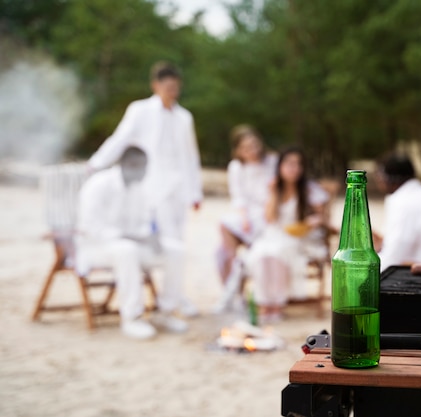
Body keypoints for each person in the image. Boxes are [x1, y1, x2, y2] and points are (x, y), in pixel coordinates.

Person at [87, 61, 202, 317]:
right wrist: (96, 163)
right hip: (148, 187)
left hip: (177, 187)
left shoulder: (184, 117)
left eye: (175, 86)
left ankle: (175, 296)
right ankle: (160, 299)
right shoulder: (140, 110)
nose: (172, 91)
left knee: (177, 242)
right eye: (167, 86)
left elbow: (190, 156)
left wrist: (196, 192)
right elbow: (120, 138)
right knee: (156, 241)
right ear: (156, 85)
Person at [75, 146, 189, 340]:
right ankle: (132, 317)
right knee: (126, 250)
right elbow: (91, 228)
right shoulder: (99, 184)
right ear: (126, 164)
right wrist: (131, 237)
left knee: (175, 250)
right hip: (95, 248)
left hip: (133, 245)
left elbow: (144, 223)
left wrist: (153, 238)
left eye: (146, 167)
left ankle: (166, 311)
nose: (144, 171)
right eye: (140, 166)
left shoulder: (140, 188)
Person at [245, 146, 329, 323]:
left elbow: (322, 216)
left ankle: (277, 302)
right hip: (275, 233)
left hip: (300, 236)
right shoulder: (274, 187)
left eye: (298, 164)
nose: (294, 168)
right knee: (261, 253)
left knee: (279, 251)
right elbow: (269, 218)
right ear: (280, 166)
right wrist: (273, 192)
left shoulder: (308, 189)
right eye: (290, 164)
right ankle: (264, 301)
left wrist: (313, 221)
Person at [216, 125, 278, 285]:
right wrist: (244, 218)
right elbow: (239, 196)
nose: (252, 150)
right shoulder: (236, 167)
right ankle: (232, 279)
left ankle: (248, 274)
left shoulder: (272, 162)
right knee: (222, 246)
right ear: (238, 150)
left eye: (254, 145)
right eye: (246, 148)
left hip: (270, 212)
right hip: (249, 214)